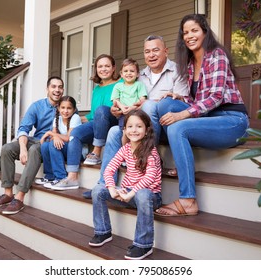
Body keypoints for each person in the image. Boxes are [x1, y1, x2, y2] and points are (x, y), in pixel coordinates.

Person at [154, 14, 249, 216]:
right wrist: (179, 99)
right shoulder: (189, 64)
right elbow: (197, 103)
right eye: (185, 32)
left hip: (231, 120)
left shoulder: (217, 56)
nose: (189, 36)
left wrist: (182, 115)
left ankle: (188, 200)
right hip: (208, 118)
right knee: (165, 105)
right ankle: (182, 163)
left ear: (205, 32)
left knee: (178, 126)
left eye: (194, 30)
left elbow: (215, 97)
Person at [83, 35, 188, 199]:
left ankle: (150, 154)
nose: (151, 55)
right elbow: (128, 97)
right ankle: (104, 185)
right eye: (147, 51)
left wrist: (171, 97)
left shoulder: (177, 70)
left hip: (165, 127)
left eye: (155, 50)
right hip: (136, 128)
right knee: (113, 132)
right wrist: (117, 110)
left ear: (166, 51)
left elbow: (184, 101)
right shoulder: (139, 75)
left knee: (150, 105)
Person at [89, 110, 162, 260]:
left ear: (147, 130)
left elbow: (149, 177)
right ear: (124, 129)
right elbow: (109, 169)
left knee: (142, 194)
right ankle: (103, 232)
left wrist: (131, 193)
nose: (134, 130)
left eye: (139, 126)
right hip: (127, 194)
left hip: (149, 197)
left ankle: (143, 245)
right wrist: (111, 188)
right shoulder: (125, 149)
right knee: (98, 190)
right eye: (130, 126)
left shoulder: (151, 151)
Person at [0, 76, 64, 214]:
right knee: (7, 149)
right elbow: (23, 129)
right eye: (53, 86)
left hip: (49, 143)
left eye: (60, 87)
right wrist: (22, 149)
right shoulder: (37, 106)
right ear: (47, 89)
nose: (57, 90)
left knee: (34, 149)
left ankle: (20, 197)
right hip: (35, 139)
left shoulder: (66, 106)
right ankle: (8, 193)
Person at [55, 54, 121, 189]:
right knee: (76, 133)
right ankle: (72, 177)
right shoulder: (97, 89)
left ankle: (96, 151)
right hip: (98, 122)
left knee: (102, 110)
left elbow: (103, 111)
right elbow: (92, 114)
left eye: (107, 66)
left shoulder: (121, 83)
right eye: (100, 66)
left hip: (114, 121)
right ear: (96, 69)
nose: (103, 69)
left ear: (113, 68)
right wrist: (72, 118)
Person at [39, 96, 82, 190]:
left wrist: (50, 133)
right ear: (58, 108)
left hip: (75, 152)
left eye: (69, 108)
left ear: (74, 109)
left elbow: (68, 138)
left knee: (52, 145)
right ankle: (50, 176)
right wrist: (54, 136)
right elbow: (53, 138)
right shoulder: (57, 119)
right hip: (63, 149)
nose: (65, 111)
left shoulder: (76, 118)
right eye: (63, 108)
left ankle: (61, 177)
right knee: (45, 145)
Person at [111, 58, 147, 145]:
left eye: (132, 71)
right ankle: (126, 151)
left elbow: (142, 99)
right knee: (125, 133)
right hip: (123, 114)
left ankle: (138, 150)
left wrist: (132, 108)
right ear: (121, 74)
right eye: (126, 71)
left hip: (137, 113)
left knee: (138, 133)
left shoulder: (139, 85)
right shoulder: (118, 86)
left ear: (137, 74)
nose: (128, 73)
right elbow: (115, 100)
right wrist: (122, 107)